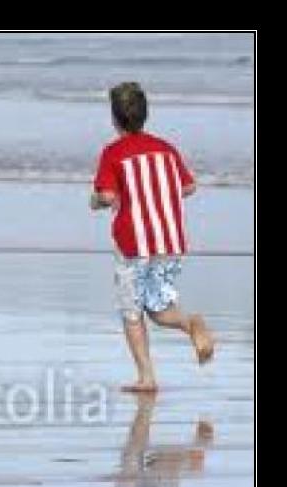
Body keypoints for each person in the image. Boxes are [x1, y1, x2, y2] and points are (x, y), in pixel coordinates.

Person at [90, 82, 214, 391]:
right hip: (169, 241)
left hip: (135, 244)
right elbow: (189, 187)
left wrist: (95, 201)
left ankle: (147, 377)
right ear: (145, 115)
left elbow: (106, 195)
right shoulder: (166, 148)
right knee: (158, 309)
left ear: (115, 119)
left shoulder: (113, 153)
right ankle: (190, 324)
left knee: (132, 312)